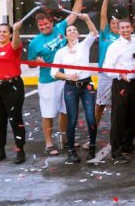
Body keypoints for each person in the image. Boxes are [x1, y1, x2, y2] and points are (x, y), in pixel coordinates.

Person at [28, 0, 85, 156]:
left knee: (65, 111)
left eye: (46, 24)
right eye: (41, 26)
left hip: (65, 78)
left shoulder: (61, 28)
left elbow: (75, 13)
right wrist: (36, 62)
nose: (44, 27)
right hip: (48, 82)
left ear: (51, 21)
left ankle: (64, 138)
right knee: (48, 113)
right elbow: (30, 63)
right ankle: (49, 143)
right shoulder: (34, 42)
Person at [50, 13, 98, 163]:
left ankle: (92, 147)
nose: (72, 32)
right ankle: (71, 150)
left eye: (75, 30)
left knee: (91, 118)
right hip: (70, 87)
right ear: (65, 36)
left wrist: (87, 19)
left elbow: (94, 33)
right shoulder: (60, 52)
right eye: (69, 30)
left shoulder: (84, 45)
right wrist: (68, 76)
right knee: (72, 119)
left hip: (87, 85)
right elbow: (54, 72)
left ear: (78, 33)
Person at [0, 22, 26, 164]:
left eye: (5, 32)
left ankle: (20, 150)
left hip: (12, 87)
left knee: (15, 120)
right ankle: (0, 151)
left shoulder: (14, 47)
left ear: (10, 34)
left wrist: (17, 30)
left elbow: (16, 44)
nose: (1, 34)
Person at [103, 18, 135, 164]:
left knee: (132, 116)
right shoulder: (114, 46)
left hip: (134, 83)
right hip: (120, 84)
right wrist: (119, 74)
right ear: (118, 30)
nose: (125, 30)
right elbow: (107, 67)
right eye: (122, 28)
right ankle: (116, 151)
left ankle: (128, 146)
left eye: (127, 27)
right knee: (118, 118)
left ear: (132, 28)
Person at [95, 0, 120, 131]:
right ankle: (92, 135)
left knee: (118, 107)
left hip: (118, 76)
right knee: (100, 105)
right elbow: (103, 16)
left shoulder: (124, 37)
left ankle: (116, 136)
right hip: (105, 74)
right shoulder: (105, 35)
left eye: (118, 24)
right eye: (113, 24)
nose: (115, 26)